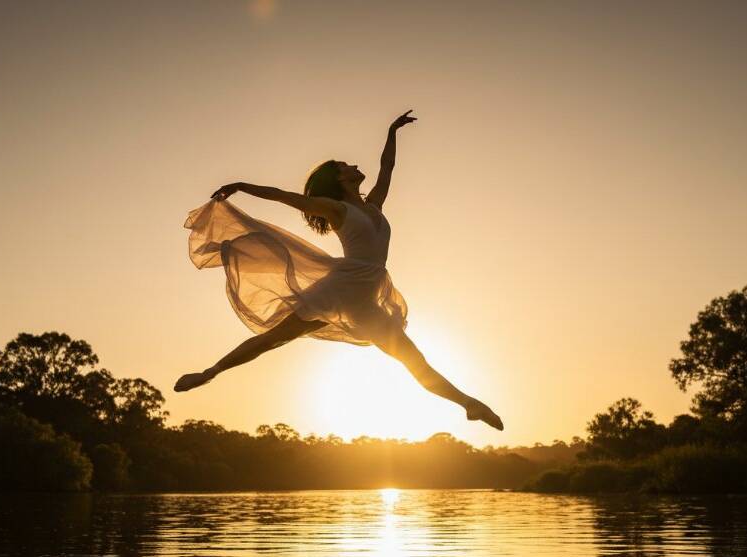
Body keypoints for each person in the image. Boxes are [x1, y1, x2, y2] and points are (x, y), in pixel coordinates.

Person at [175, 110, 503, 431]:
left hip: (366, 300)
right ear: (340, 179)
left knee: (413, 360)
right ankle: (210, 372)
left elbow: (387, 167)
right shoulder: (335, 209)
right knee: (273, 339)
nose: (354, 165)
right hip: (340, 288)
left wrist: (392, 131)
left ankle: (469, 404)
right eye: (346, 165)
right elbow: (284, 197)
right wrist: (241, 185)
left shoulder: (373, 205)